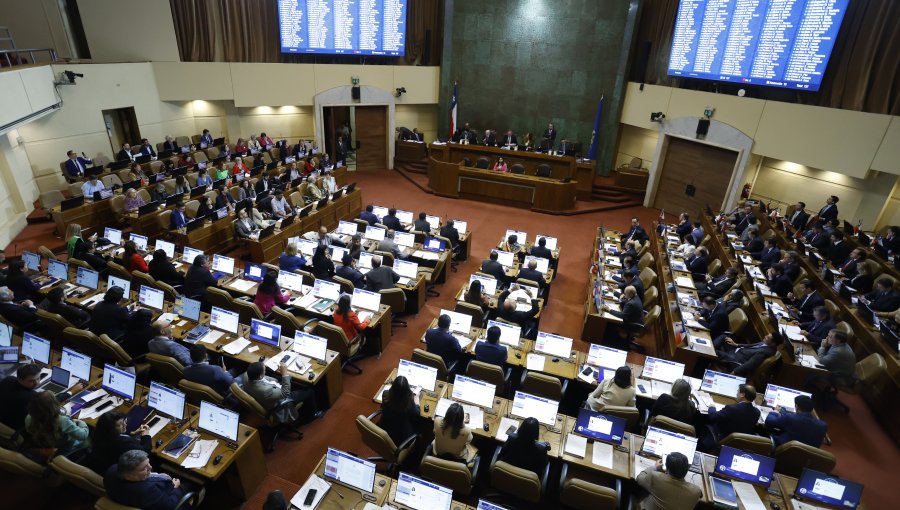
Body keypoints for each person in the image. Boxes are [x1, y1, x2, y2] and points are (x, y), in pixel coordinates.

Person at [0, 363, 83, 430]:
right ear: (20, 379)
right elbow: (51, 402)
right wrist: (71, 392)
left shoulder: (8, 379)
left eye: (38, 378)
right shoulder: (31, 396)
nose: (37, 383)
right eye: (31, 381)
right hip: (17, 428)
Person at [104, 449, 190, 510]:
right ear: (129, 476)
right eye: (144, 468)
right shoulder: (147, 490)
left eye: (148, 463)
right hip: (169, 497)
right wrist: (176, 487)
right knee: (191, 484)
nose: (151, 467)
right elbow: (171, 506)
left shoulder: (112, 469)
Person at [244, 361, 321, 425]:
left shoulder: (246, 376)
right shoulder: (267, 392)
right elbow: (285, 393)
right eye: (264, 370)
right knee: (310, 391)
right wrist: (284, 374)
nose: (265, 371)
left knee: (293, 382)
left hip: (270, 393)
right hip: (282, 403)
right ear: (260, 376)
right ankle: (312, 415)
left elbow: (268, 379)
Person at [87, 411, 151, 475]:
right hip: (115, 473)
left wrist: (133, 434)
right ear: (111, 429)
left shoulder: (100, 433)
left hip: (100, 465)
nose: (125, 425)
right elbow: (145, 451)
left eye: (124, 421)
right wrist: (146, 436)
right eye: (120, 424)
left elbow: (119, 436)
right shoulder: (122, 443)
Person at [25, 391, 90, 453]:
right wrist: (82, 422)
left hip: (44, 444)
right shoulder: (62, 420)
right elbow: (83, 435)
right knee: (90, 437)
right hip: (63, 447)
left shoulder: (29, 417)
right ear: (54, 405)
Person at [635, 452, 702, 510]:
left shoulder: (655, 477)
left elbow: (639, 479)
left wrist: (654, 467)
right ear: (687, 469)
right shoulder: (696, 491)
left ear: (666, 468)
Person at [714, 331, 782, 376]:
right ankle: (709, 347)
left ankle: (708, 353)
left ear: (773, 343)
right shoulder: (766, 343)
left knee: (715, 352)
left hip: (735, 360)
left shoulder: (764, 352)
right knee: (724, 337)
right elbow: (750, 346)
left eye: (768, 337)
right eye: (767, 335)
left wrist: (734, 372)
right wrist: (736, 344)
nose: (765, 336)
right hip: (737, 351)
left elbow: (749, 365)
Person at [379, 376, 419, 445]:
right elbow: (417, 413)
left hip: (384, 430)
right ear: (407, 389)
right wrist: (417, 400)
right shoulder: (408, 403)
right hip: (401, 438)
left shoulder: (385, 394)